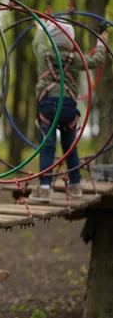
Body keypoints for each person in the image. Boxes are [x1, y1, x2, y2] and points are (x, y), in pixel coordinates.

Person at [28, 19, 108, 203]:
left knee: (47, 147)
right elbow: (96, 60)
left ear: (52, 40)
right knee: (70, 147)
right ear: (71, 41)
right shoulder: (76, 58)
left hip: (47, 106)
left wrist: (41, 28)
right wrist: (101, 41)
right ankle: (75, 185)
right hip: (68, 108)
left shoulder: (44, 53)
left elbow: (37, 43)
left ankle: (45, 188)